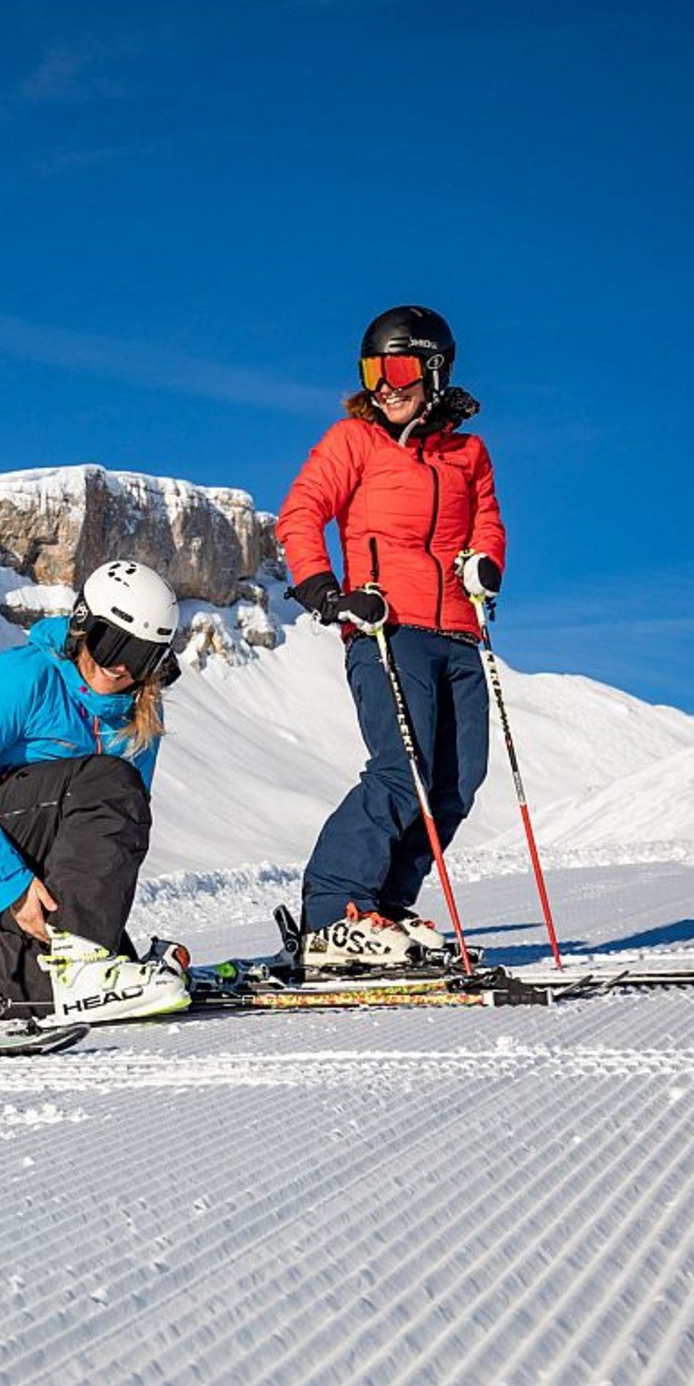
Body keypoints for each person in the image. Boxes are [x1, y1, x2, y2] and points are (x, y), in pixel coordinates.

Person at [273, 305, 505, 973]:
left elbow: (487, 524)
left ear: (433, 370)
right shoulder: (354, 441)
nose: (385, 385)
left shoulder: (468, 452)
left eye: (398, 368)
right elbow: (302, 513)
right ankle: (330, 914)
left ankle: (384, 908)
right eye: (373, 370)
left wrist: (485, 564)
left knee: (457, 782)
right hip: (385, 629)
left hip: (458, 633)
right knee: (401, 773)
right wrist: (323, 587)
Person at [0, 561, 193, 1025]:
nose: (120, 665)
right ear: (82, 624)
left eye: (141, 657)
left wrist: (94, 927)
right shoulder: (23, 677)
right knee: (111, 782)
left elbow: (112, 835)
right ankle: (80, 965)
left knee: (106, 969)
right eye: (113, 643)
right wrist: (10, 886)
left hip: (29, 836)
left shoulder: (140, 725)